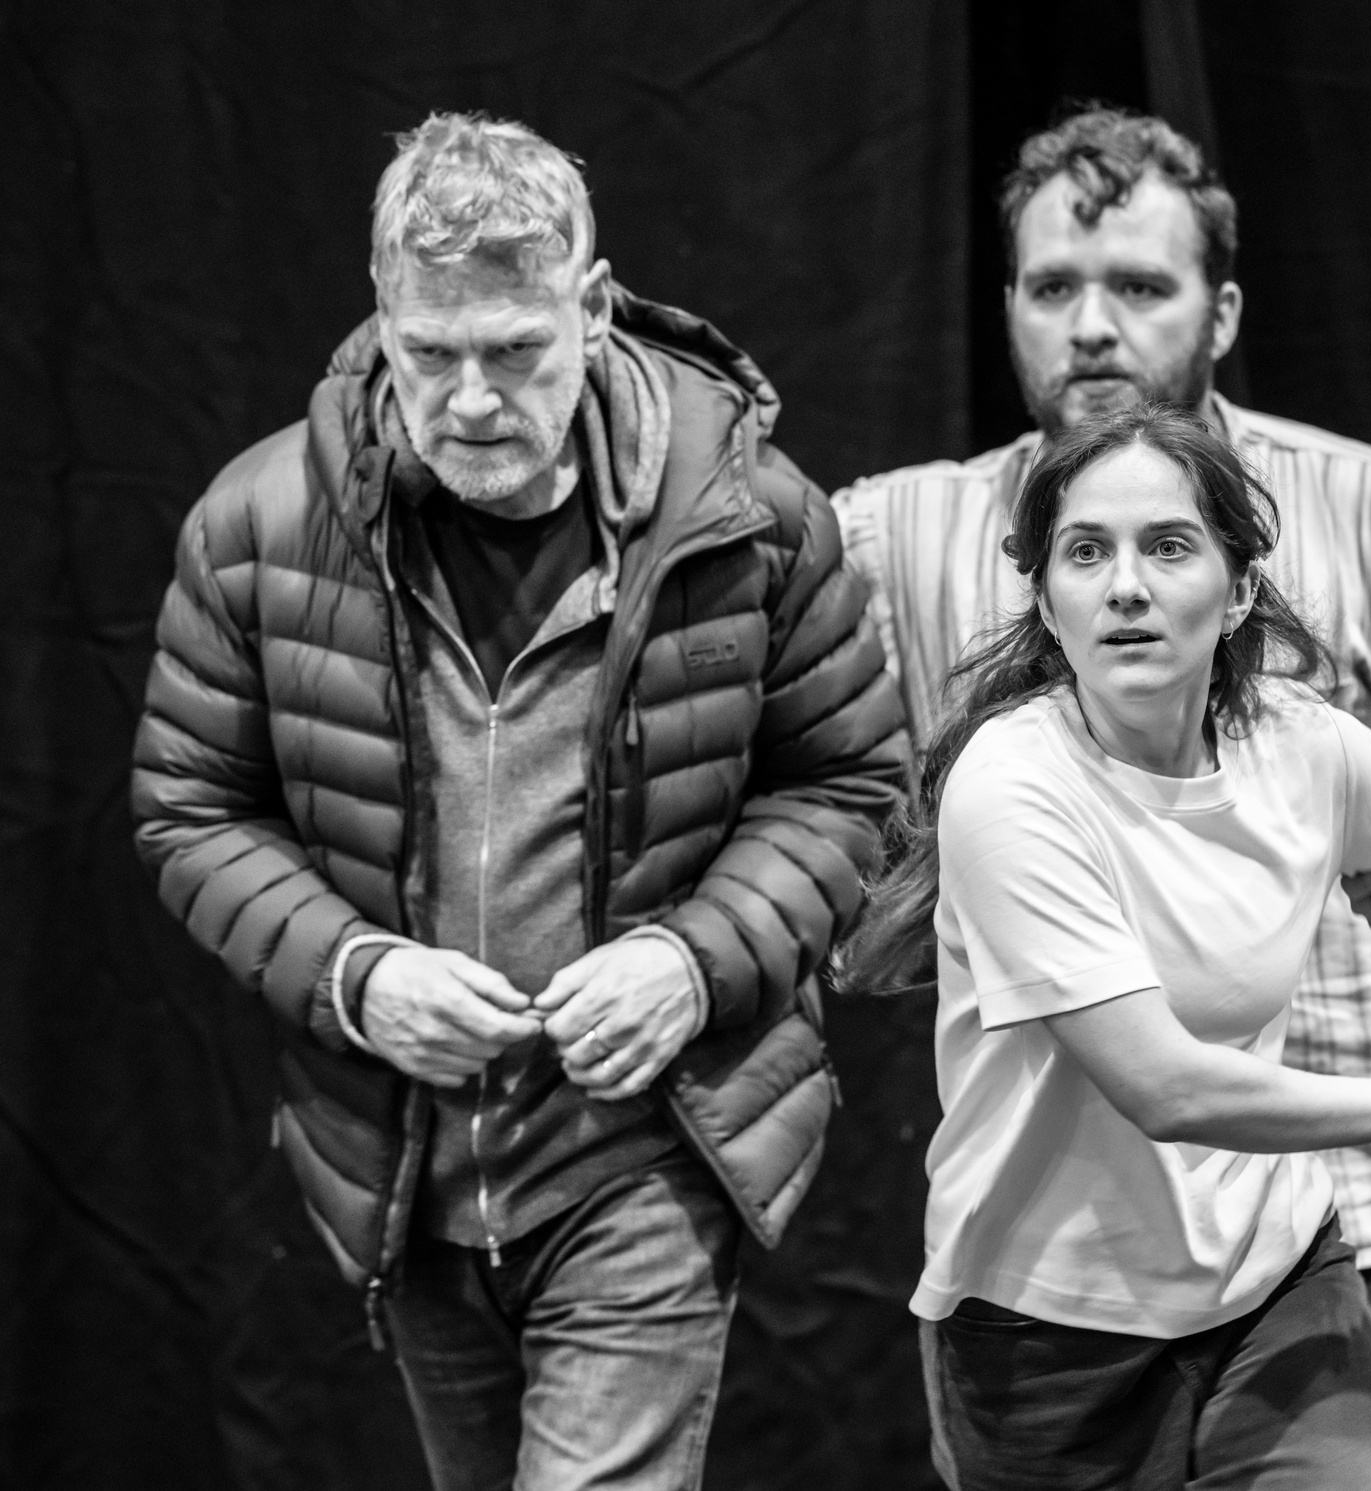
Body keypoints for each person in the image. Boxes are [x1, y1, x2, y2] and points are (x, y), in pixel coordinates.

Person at [831, 108, 1371, 1489]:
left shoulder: (1368, 513)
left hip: (1355, 1210)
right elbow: (748, 713)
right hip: (1072, 1258)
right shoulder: (902, 533)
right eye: (1052, 288)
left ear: (1222, 309)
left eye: (1138, 287)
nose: (1091, 328)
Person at [130, 113, 906, 1491]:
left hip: (645, 1152)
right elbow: (190, 807)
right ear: (382, 315)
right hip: (407, 1170)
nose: (473, 399)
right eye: (431, 355)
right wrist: (357, 974)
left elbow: (849, 783)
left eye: (515, 350)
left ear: (593, 310)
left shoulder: (753, 519)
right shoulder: (257, 526)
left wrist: (693, 955)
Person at [843, 404, 1371, 1488]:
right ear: (1044, 598)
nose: (1125, 585)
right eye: (1086, 553)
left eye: (1168, 546)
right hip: (1045, 1332)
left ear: (1239, 592)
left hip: (1278, 1284)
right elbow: (1164, 1086)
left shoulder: (1297, 744)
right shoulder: (1013, 782)